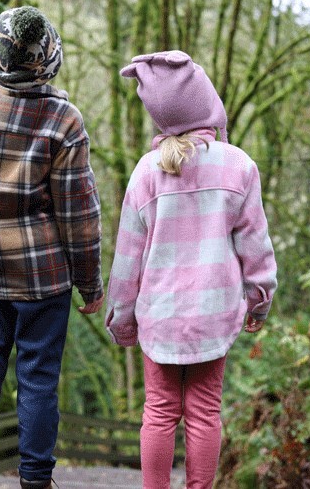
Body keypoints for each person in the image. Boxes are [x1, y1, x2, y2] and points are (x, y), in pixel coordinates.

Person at [0, 6, 104, 489]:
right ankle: (35, 479)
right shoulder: (63, 121)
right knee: (38, 379)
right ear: (48, 60)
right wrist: (90, 283)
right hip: (46, 280)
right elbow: (79, 214)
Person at [106, 50, 278, 489]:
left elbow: (128, 258)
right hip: (212, 313)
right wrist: (258, 300)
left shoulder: (146, 173)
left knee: (159, 411)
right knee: (205, 411)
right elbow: (255, 245)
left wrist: (122, 317)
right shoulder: (238, 165)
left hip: (160, 315)